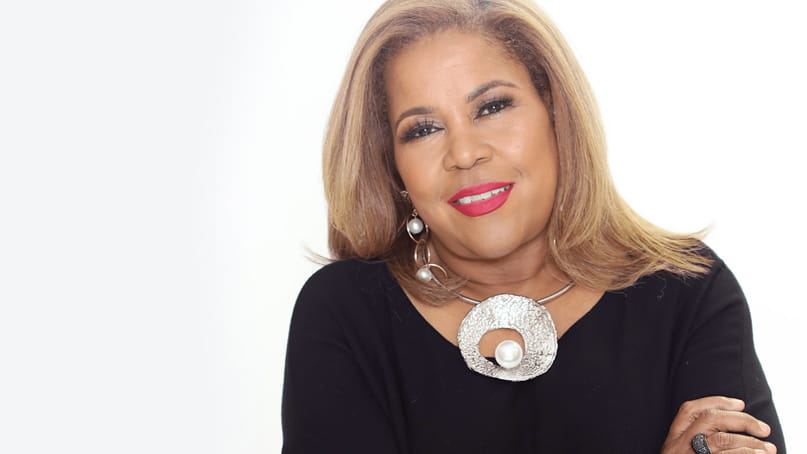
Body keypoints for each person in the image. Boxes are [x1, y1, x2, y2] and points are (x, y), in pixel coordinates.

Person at [281, 0, 785, 452]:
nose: (464, 153)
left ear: (556, 114)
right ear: (392, 166)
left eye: (493, 107)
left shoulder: (687, 291)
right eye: (423, 129)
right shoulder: (346, 314)